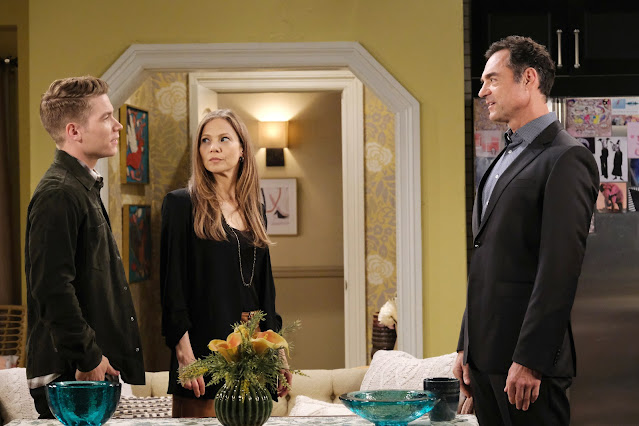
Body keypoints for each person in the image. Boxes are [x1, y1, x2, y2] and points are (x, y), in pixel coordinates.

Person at [454, 36, 599, 425]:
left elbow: (559, 269)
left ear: (529, 78)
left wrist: (531, 360)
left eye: (492, 79)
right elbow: (487, 259)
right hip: (484, 361)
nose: (482, 91)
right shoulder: (502, 156)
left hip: (527, 368)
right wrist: (466, 345)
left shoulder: (567, 157)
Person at [26, 76, 145, 418]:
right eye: (106, 117)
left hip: (88, 372)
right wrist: (88, 357)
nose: (118, 126)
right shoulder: (59, 193)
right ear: (74, 131)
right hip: (74, 377)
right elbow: (52, 288)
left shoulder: (81, 187)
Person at [160, 109, 291, 418]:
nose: (213, 148)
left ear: (242, 149)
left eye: (223, 139)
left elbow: (265, 288)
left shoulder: (256, 207)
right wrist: (185, 356)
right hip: (203, 355)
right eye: (205, 141)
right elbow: (171, 289)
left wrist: (278, 351)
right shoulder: (181, 204)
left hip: (252, 354)